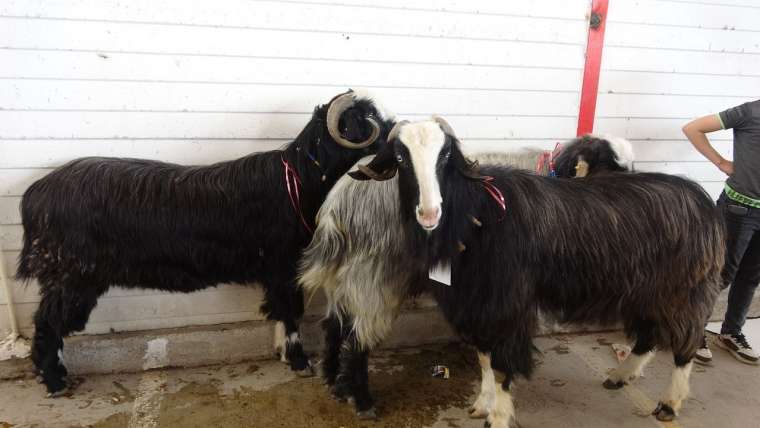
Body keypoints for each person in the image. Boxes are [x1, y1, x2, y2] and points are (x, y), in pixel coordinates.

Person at [682, 100, 760, 365]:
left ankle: (731, 333)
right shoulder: (750, 111)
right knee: (720, 274)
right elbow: (693, 128)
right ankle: (693, 333)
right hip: (738, 209)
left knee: (750, 277)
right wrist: (720, 162)